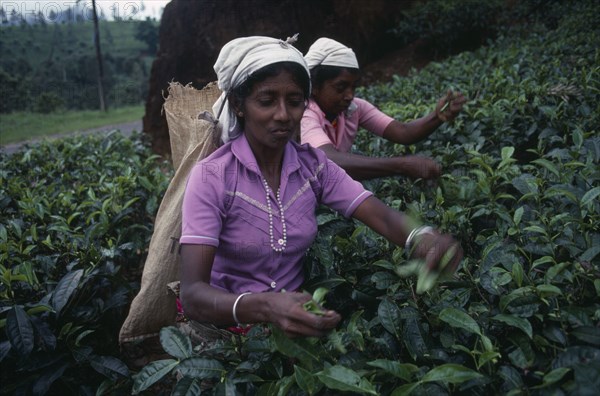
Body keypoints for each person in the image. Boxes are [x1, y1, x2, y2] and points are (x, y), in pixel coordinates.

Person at [179, 34, 463, 339]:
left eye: (294, 101)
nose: (283, 115)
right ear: (239, 105)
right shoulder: (212, 176)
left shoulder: (313, 167)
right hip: (223, 335)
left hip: (292, 327)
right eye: (266, 101)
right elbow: (193, 295)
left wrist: (421, 237)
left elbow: (376, 212)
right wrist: (264, 307)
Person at [301, 37, 467, 181]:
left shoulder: (353, 109)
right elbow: (329, 160)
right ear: (315, 86)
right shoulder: (305, 114)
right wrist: (401, 165)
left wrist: (437, 116)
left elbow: (403, 132)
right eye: (341, 87)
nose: (349, 95)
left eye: (353, 87)